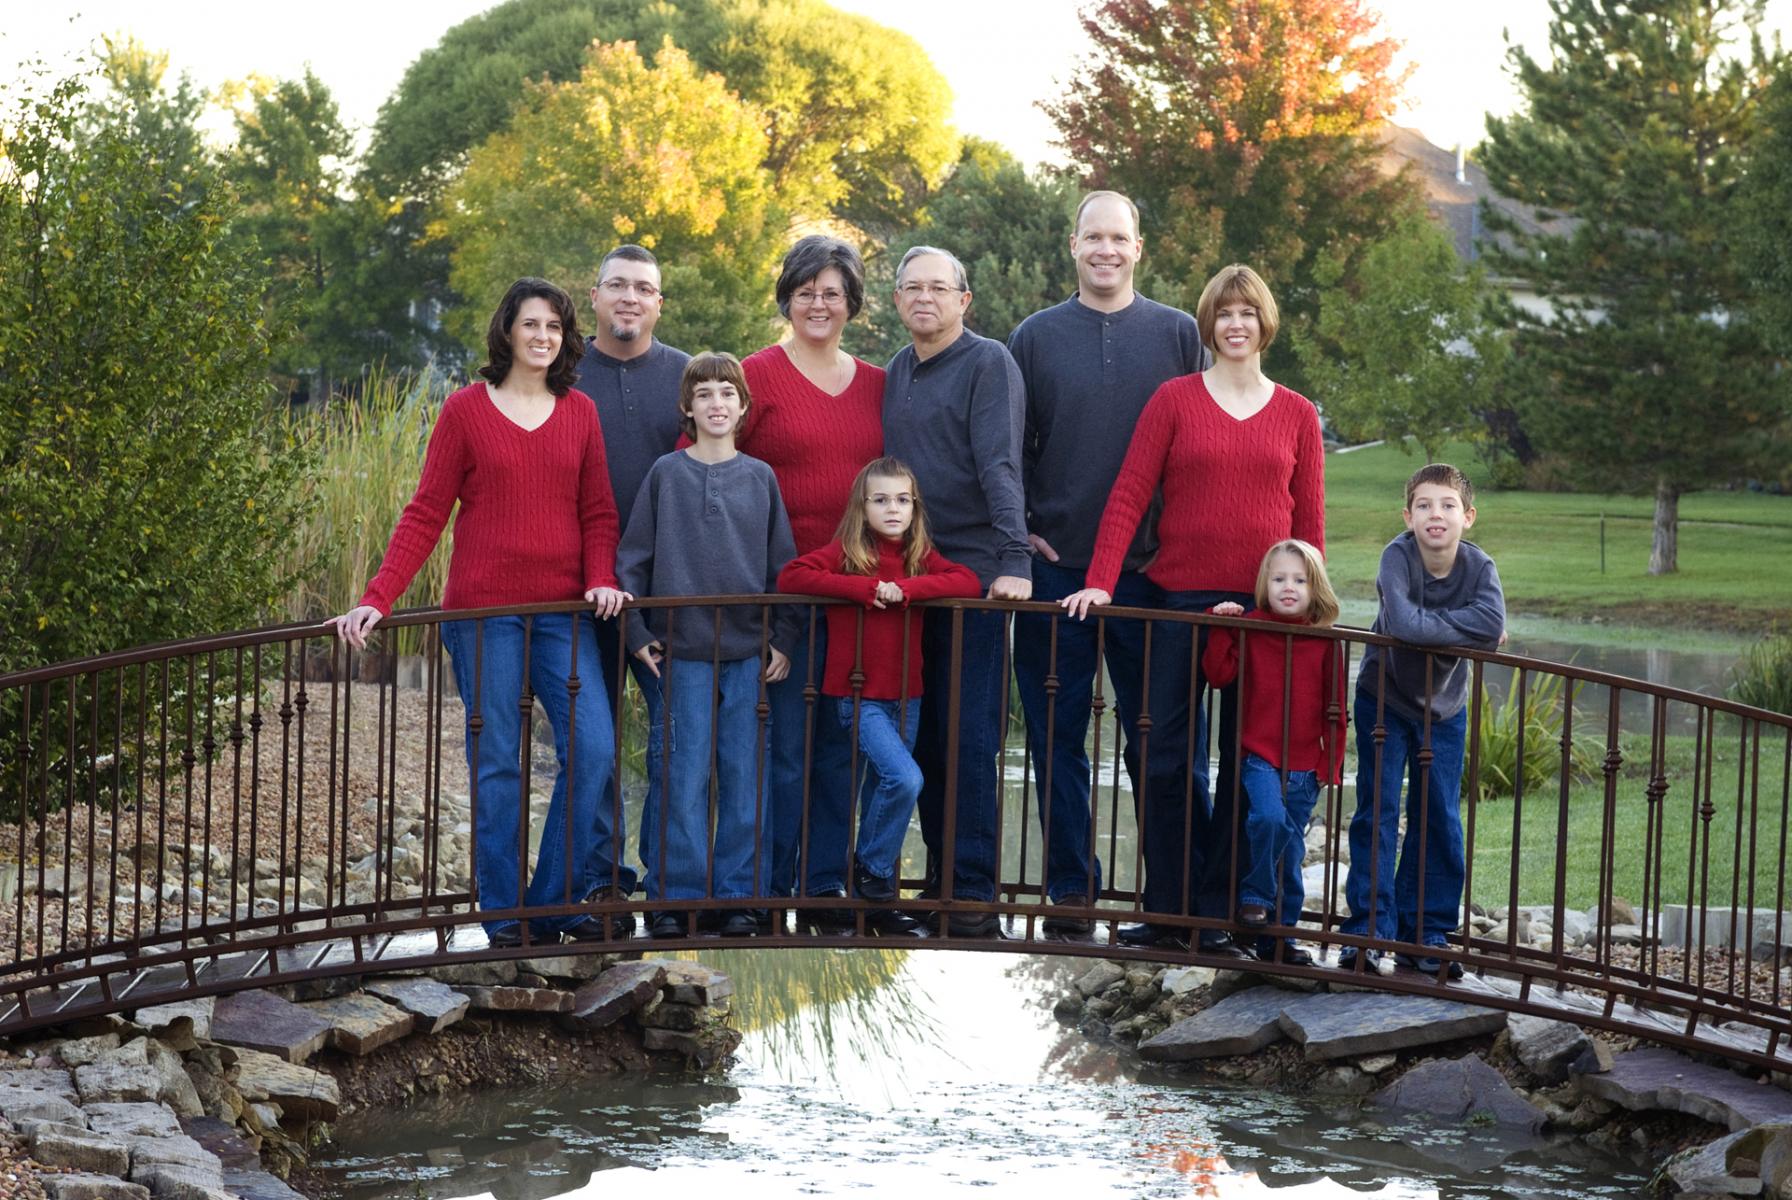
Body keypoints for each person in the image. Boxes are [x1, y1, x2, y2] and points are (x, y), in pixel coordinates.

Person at [331, 278, 632, 949]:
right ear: (507, 331)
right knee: (498, 761)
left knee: (593, 748)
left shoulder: (580, 412)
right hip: (483, 616)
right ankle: (503, 917)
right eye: (531, 324)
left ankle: (549, 904)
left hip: (563, 616)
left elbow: (598, 513)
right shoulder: (465, 410)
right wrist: (378, 595)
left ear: (565, 338)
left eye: (554, 327)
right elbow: (426, 511)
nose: (543, 337)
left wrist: (601, 578)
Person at [1062, 264, 1325, 959]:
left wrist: (1313, 610)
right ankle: (1171, 910)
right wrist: (1100, 580)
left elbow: (1309, 526)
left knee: (1250, 766)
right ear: (1207, 325)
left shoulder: (1297, 413)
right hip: (1177, 604)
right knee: (1164, 760)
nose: (1236, 325)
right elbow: (1129, 492)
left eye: (1248, 313)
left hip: (1265, 615)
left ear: (1265, 323)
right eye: (1224, 313)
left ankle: (1226, 914)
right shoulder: (1174, 399)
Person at [1007, 190, 1208, 935]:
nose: (1106, 250)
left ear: (1138, 248)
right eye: (1093, 237)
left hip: (1152, 574)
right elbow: (1010, 447)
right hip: (1059, 570)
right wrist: (1023, 528)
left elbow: (1203, 438)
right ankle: (1072, 890)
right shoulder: (1034, 337)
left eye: (1118, 238)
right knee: (1054, 734)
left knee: (1160, 740)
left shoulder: (1179, 334)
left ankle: (1174, 901)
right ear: (1073, 245)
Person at [615, 352, 797, 939]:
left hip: (748, 655)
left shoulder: (761, 478)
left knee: (745, 775)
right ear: (687, 408)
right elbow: (632, 561)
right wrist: (636, 634)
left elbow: (783, 567)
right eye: (704, 394)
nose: (716, 404)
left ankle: (741, 896)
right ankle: (676, 896)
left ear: (743, 408)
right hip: (681, 654)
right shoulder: (666, 475)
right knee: (681, 774)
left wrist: (782, 638)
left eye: (727, 394)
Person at [737, 236, 886, 926]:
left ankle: (824, 887)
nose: (818, 304)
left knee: (842, 749)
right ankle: (769, 890)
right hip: (783, 600)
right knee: (784, 751)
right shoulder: (755, 376)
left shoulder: (880, 385)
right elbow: (704, 465)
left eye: (832, 292)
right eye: (805, 292)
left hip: (858, 600)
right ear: (787, 300)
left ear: (851, 302)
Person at [883, 246, 1031, 938]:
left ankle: (971, 894)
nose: (925, 298)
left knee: (969, 737)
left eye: (938, 288)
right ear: (896, 300)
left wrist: (1014, 556)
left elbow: (1000, 461)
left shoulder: (988, 362)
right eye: (912, 287)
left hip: (973, 581)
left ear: (963, 300)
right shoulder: (897, 369)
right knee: (924, 738)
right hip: (912, 578)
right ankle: (939, 883)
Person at [778, 458, 981, 936]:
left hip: (907, 699)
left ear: (915, 508)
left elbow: (967, 581)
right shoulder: (847, 554)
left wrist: (907, 590)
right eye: (882, 500)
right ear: (862, 507)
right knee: (906, 779)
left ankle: (878, 900)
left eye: (903, 500)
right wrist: (863, 589)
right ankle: (867, 869)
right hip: (857, 697)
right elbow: (792, 576)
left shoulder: (919, 555)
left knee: (882, 793)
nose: (893, 508)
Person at [1340, 464, 1505, 980]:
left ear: (1468, 516)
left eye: (1448, 505)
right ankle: (1368, 930)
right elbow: (1404, 625)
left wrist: (1433, 628)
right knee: (1379, 810)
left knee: (1439, 815)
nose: (1437, 514)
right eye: (1425, 505)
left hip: (1446, 708)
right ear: (1407, 516)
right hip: (1384, 698)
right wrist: (1466, 633)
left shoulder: (1480, 567)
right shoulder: (1397, 557)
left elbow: (1492, 623)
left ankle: (1426, 932)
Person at [572, 245, 690, 889]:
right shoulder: (560, 374)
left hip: (663, 596)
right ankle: (602, 879)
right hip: (580, 592)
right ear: (594, 296)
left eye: (643, 288)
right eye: (617, 285)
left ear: (659, 303)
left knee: (678, 737)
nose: (630, 297)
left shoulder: (686, 378)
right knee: (595, 742)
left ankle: (669, 877)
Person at [1201, 539, 1348, 967]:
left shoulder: (1325, 640)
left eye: (1300, 580)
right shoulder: (1251, 627)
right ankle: (1255, 896)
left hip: (1306, 766)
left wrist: (1329, 764)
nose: (1288, 587)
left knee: (1291, 853)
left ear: (1315, 587)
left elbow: (1336, 708)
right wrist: (1221, 626)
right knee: (1266, 819)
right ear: (1264, 584)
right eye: (1279, 578)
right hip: (1259, 755)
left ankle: (1279, 939)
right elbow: (1218, 674)